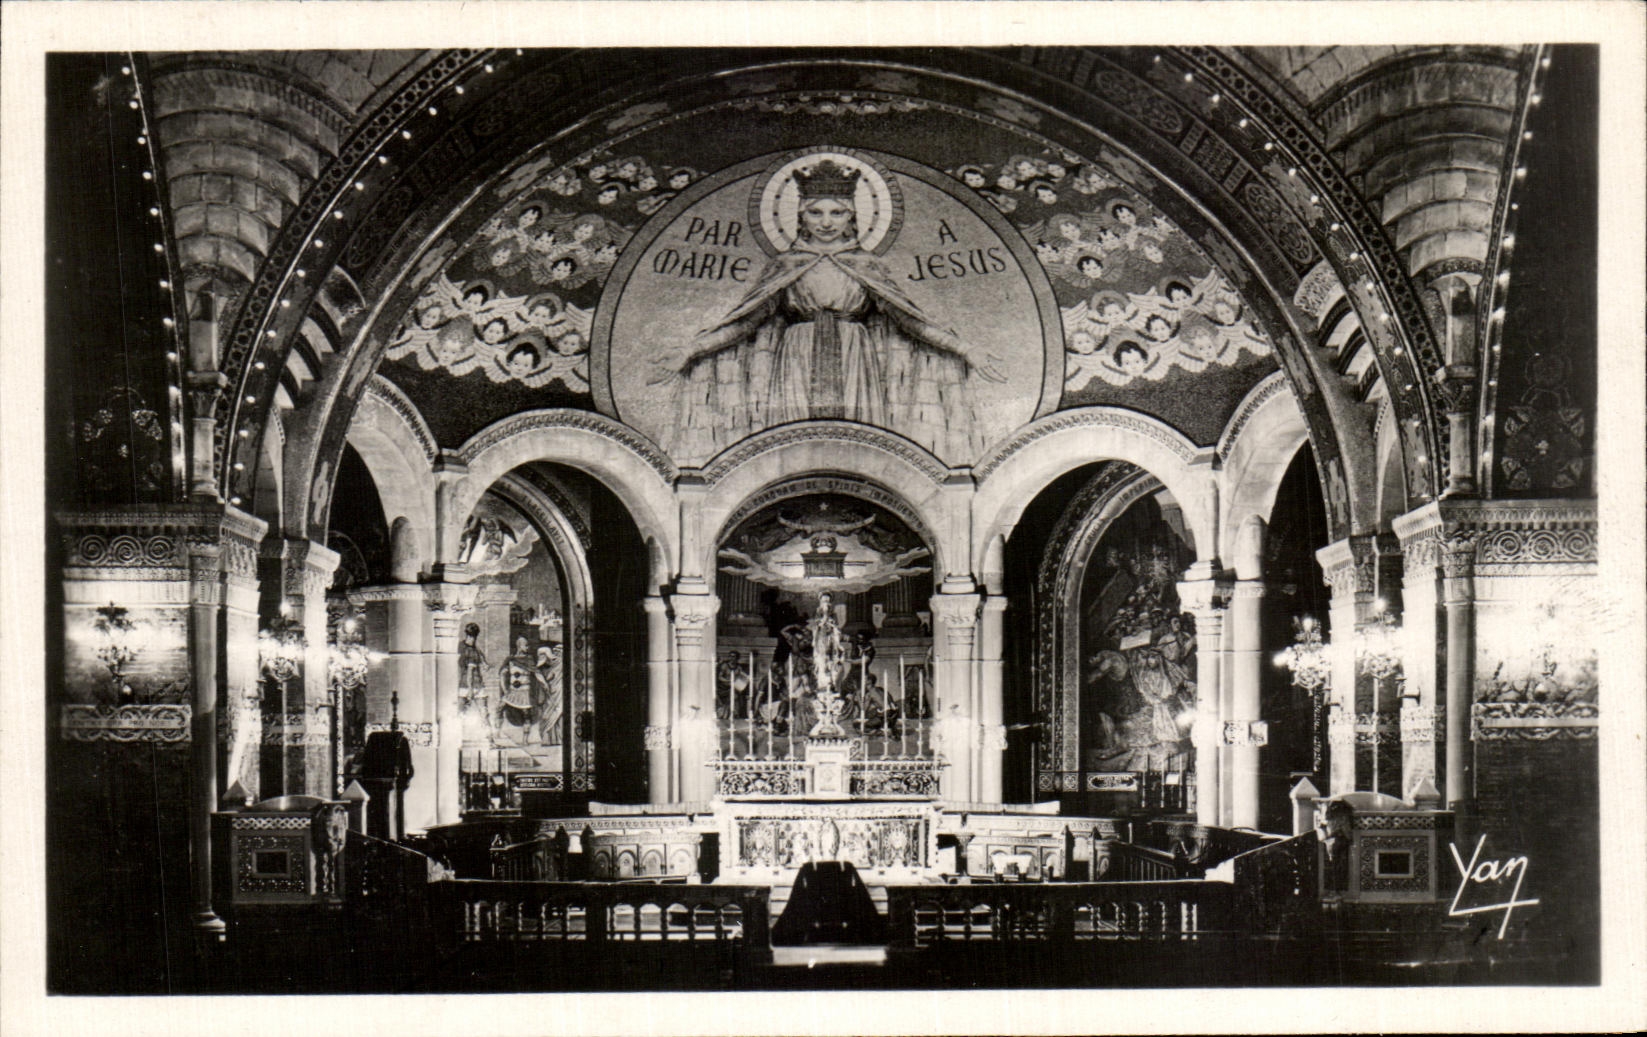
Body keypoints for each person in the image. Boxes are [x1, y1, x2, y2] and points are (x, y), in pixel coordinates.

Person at [653, 156, 1000, 460]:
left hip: (854, 355)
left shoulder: (865, 264)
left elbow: (911, 320)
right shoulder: (788, 263)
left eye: (837, 212)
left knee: (859, 437)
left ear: (851, 216)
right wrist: (691, 349)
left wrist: (966, 349)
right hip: (797, 357)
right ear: (801, 216)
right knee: (791, 437)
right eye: (816, 212)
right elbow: (745, 322)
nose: (826, 222)